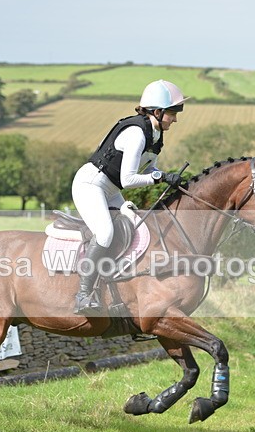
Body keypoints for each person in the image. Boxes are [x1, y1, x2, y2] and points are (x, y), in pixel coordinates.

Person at [71, 79, 188, 315]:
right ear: (158, 111)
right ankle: (82, 295)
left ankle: (117, 290)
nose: (175, 118)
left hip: (110, 190)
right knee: (105, 233)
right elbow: (129, 180)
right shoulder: (136, 133)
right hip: (90, 185)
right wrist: (161, 177)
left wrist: (166, 176)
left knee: (136, 228)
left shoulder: (155, 135)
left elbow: (146, 171)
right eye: (173, 113)